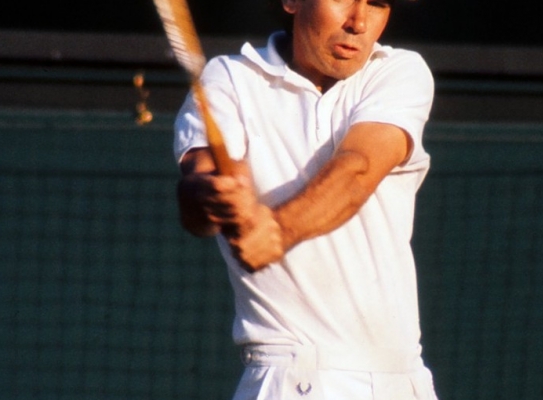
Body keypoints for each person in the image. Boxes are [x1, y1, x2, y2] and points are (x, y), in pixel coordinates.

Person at [173, 0, 437, 398]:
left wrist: (278, 230)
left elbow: (359, 167)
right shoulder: (228, 78)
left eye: (377, 4)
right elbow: (200, 191)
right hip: (292, 380)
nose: (358, 22)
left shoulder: (400, 71)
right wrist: (213, 196)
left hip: (404, 381)